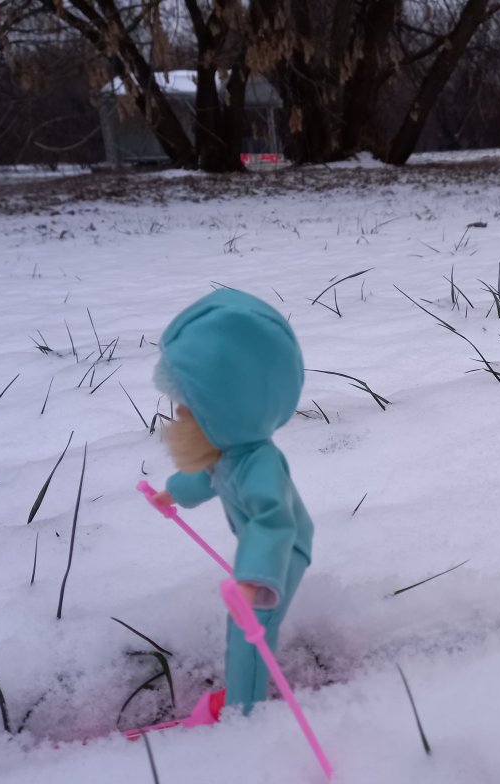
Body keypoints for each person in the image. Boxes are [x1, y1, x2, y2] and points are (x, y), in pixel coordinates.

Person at [150, 288, 313, 720]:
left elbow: (274, 521)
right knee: (245, 628)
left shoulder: (260, 464)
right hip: (261, 554)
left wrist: (256, 577)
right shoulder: (228, 451)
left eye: (189, 409)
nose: (181, 417)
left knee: (252, 629)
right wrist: (174, 494)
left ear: (228, 410)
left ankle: (246, 713)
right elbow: (208, 478)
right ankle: (244, 699)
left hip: (283, 551)